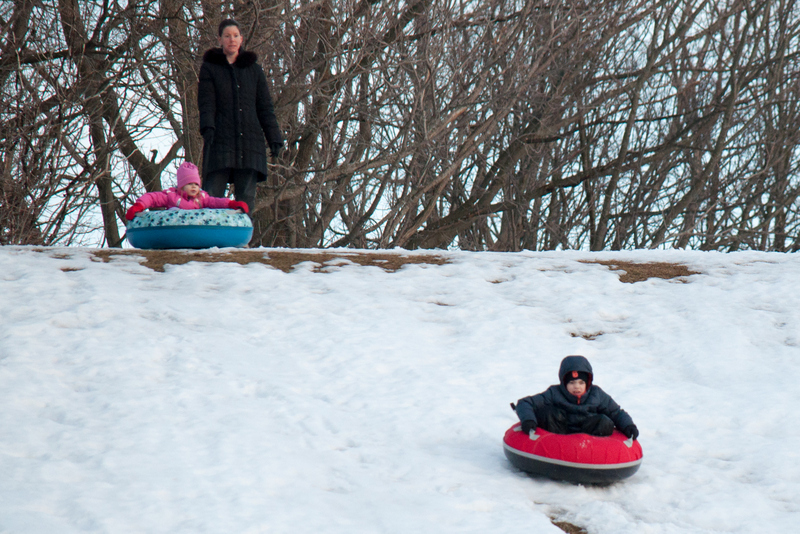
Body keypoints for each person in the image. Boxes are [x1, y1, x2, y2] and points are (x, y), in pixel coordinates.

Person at [198, 18, 283, 215]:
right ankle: (211, 233)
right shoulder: (210, 68)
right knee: (211, 197)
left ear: (241, 39)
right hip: (220, 141)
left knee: (245, 201)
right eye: (227, 36)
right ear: (220, 39)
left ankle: (243, 234)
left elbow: (265, 107)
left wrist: (274, 137)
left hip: (250, 144)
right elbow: (206, 103)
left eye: (235, 35)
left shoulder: (254, 70)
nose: (232, 40)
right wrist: (207, 127)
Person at [514, 355, 639, 439]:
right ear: (564, 383)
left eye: (581, 382)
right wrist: (528, 420)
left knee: (604, 421)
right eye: (572, 383)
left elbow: (616, 412)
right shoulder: (554, 393)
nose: (577, 387)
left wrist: (629, 426)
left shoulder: (597, 394)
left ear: (588, 383)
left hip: (589, 436)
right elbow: (525, 403)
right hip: (559, 433)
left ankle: (594, 453)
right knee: (548, 413)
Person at [125, 162, 248, 220]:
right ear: (182, 186)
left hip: (195, 228)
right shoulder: (171, 196)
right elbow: (153, 197)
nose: (194, 187)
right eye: (190, 184)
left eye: (196, 184)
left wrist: (232, 204)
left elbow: (216, 202)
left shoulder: (202, 198)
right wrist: (139, 205)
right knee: (173, 211)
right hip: (175, 227)